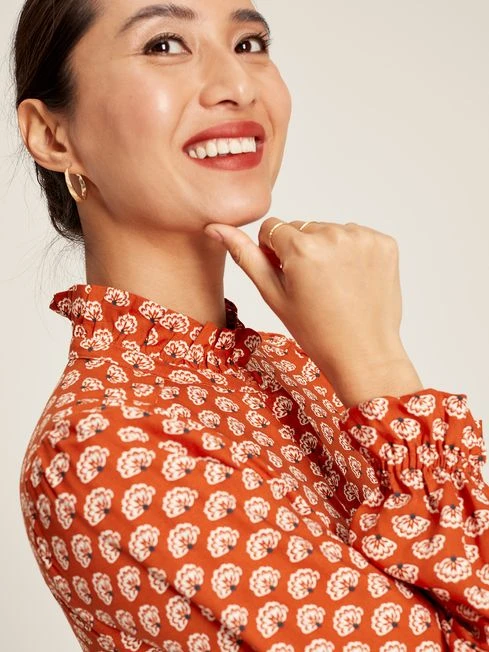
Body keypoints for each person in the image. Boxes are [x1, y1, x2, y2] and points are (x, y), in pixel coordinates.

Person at [14, 0, 488, 650]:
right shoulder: (104, 448)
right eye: (164, 45)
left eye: (249, 43)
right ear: (52, 136)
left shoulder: (290, 365)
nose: (237, 85)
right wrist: (380, 367)